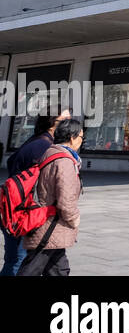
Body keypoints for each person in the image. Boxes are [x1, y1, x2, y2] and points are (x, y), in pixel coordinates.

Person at [3, 109, 70, 276]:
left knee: (14, 259)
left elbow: (11, 162)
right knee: (20, 260)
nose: (71, 123)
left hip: (13, 206)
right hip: (24, 212)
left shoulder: (37, 141)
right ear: (53, 122)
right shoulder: (45, 147)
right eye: (66, 119)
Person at [18, 118, 84, 277]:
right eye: (81, 137)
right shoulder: (65, 161)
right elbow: (66, 200)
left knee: (59, 270)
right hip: (50, 226)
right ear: (72, 137)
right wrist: (74, 218)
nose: (82, 141)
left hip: (49, 226)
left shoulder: (50, 152)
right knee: (32, 269)